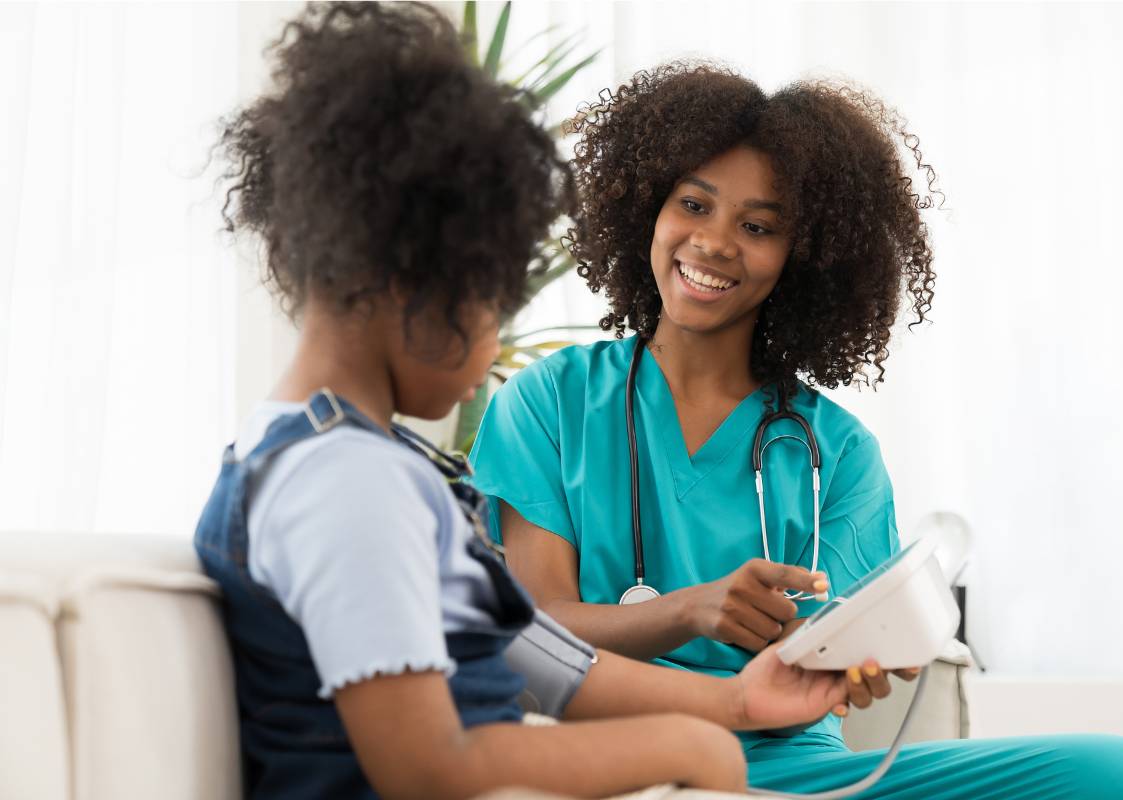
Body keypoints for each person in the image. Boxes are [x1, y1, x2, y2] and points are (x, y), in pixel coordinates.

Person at [192, 5, 902, 799]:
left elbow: (527, 650)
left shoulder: (364, 465)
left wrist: (736, 701)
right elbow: (428, 765)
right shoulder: (348, 482)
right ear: (418, 280)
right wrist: (696, 750)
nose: (496, 344)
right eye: (495, 298)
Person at [468, 63, 1123, 798]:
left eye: (758, 227)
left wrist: (861, 655)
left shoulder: (837, 454)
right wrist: (692, 609)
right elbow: (536, 628)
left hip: (795, 771)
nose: (715, 243)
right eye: (694, 204)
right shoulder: (548, 404)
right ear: (647, 210)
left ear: (804, 259)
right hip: (614, 754)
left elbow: (827, 651)